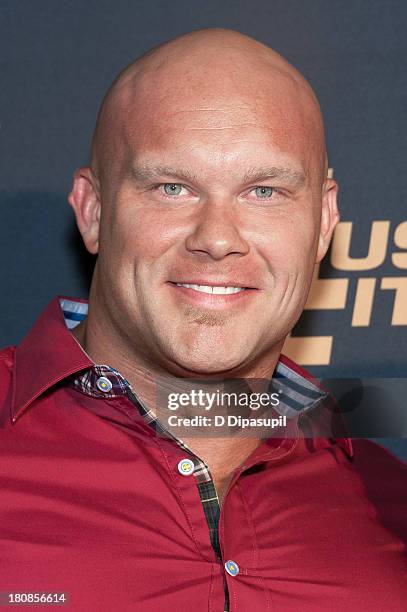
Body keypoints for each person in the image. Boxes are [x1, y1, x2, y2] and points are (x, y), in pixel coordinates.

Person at [0, 28, 406, 612]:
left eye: (264, 191)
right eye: (172, 187)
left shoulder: (387, 502)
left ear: (323, 223)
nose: (217, 239)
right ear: (93, 211)